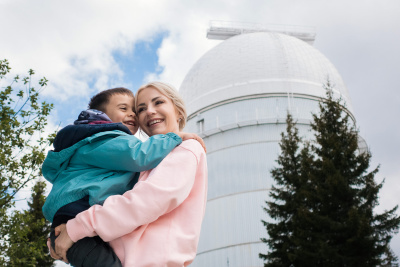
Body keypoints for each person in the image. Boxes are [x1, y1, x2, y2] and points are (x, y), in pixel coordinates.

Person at [50, 82, 208, 266]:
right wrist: (64, 234)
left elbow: (146, 201)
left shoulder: (186, 148)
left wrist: (78, 227)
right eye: (141, 108)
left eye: (158, 103)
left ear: (179, 111)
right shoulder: (141, 165)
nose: (149, 111)